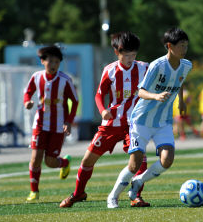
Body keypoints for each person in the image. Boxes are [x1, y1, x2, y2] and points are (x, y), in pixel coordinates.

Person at [60, 31, 151, 208]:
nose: (131, 59)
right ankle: (79, 193)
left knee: (140, 160)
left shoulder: (144, 68)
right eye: (127, 55)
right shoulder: (109, 70)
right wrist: (102, 111)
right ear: (117, 52)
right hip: (111, 124)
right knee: (87, 160)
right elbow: (99, 95)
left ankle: (136, 196)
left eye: (134, 55)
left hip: (133, 124)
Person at [106, 27, 192, 208]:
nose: (184, 49)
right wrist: (156, 96)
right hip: (142, 120)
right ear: (169, 46)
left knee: (167, 160)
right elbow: (141, 91)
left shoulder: (186, 65)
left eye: (186, 45)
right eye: (181, 46)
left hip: (163, 121)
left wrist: (181, 101)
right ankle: (113, 196)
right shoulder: (157, 65)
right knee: (134, 164)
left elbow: (180, 81)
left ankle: (138, 183)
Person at [23, 45, 79, 201]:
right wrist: (27, 101)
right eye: (50, 61)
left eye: (56, 62)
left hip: (57, 126)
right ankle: (34, 191)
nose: (53, 65)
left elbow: (74, 101)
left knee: (50, 162)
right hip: (40, 124)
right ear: (42, 61)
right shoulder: (36, 77)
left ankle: (64, 162)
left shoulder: (65, 80)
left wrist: (68, 121)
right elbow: (27, 92)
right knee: (35, 159)